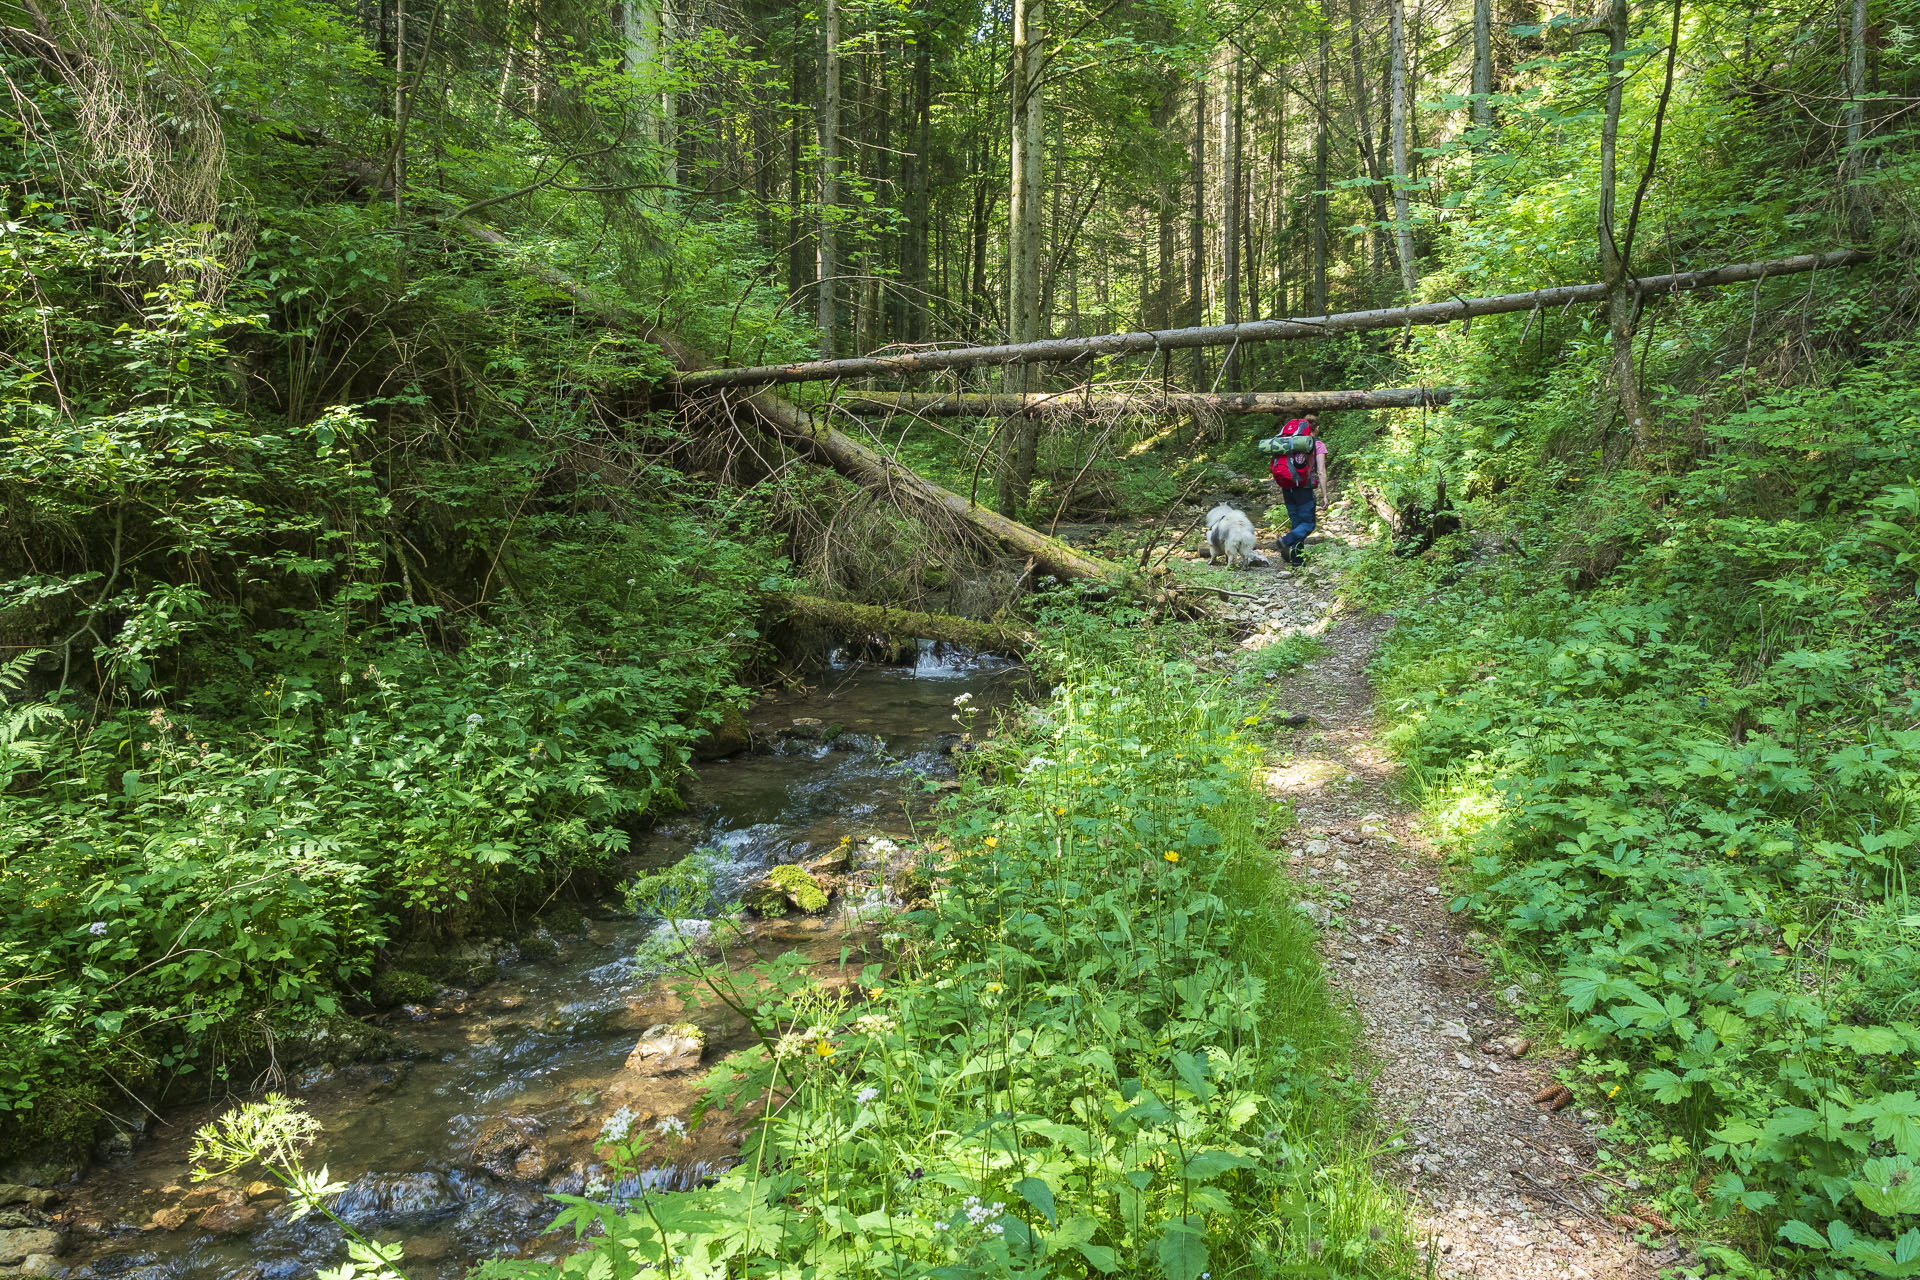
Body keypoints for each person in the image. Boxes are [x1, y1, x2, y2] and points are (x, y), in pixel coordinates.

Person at [1268, 414, 1331, 564]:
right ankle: (1285, 541)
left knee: (1297, 524)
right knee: (1308, 524)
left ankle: (1297, 560)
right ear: (1316, 428)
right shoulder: (1317, 445)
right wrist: (1325, 495)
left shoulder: (1289, 442)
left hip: (1287, 486)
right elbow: (1321, 471)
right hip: (1303, 488)